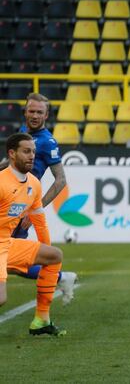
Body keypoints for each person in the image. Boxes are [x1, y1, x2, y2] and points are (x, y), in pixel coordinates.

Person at [0, 93, 77, 304]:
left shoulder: (47, 142)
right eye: (31, 111)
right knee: (12, 261)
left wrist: (35, 209)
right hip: (8, 201)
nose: (34, 115)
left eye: (39, 112)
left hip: (19, 207)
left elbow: (60, 180)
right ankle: (62, 277)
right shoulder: (23, 133)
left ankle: (60, 277)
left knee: (9, 259)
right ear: (25, 112)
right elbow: (9, 163)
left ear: (46, 115)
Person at [1, 133, 67, 335]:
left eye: (34, 152)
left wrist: (44, 250)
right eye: (26, 151)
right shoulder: (2, 182)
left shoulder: (34, 184)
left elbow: (39, 220)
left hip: (7, 244)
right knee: (1, 298)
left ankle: (41, 321)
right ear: (12, 154)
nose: (32, 157)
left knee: (54, 255)